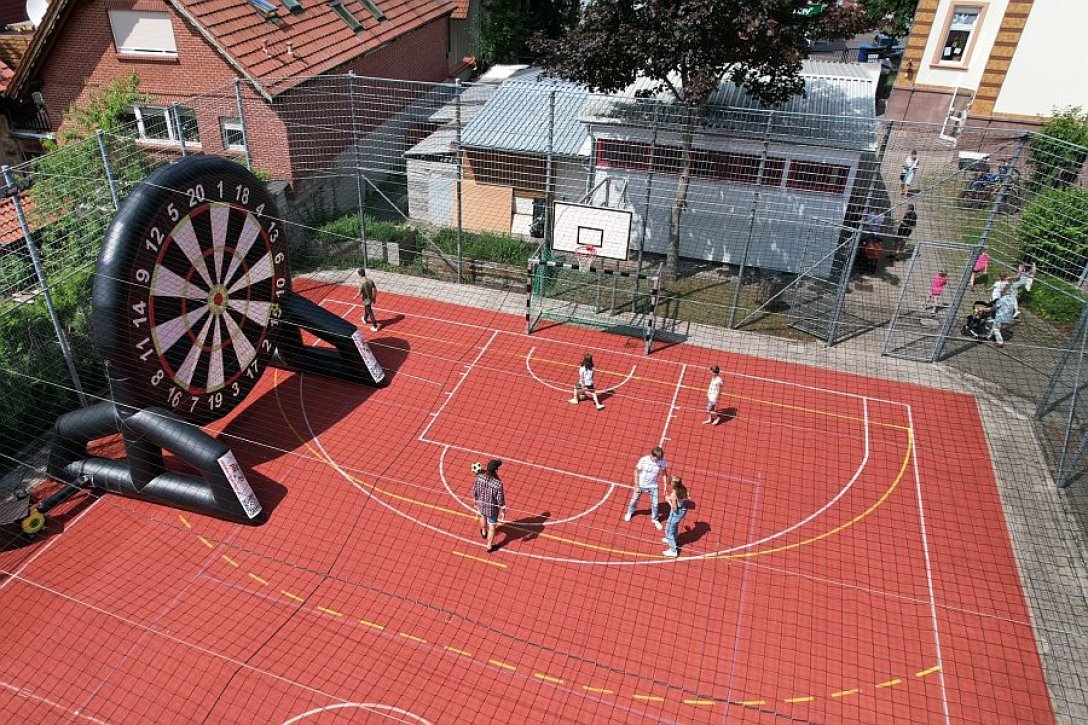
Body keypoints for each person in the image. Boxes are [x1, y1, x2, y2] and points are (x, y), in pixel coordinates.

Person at [625, 446, 668, 530]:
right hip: (641, 484)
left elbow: (664, 473)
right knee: (634, 500)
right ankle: (630, 512)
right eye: (657, 459)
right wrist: (637, 485)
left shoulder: (662, 460)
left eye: (660, 458)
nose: (658, 460)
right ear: (652, 456)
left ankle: (655, 519)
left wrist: (665, 486)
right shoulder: (643, 460)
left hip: (653, 486)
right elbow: (636, 472)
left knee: (655, 504)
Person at [473, 459, 507, 553]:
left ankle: (484, 532)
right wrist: (503, 511)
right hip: (492, 509)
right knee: (492, 527)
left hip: (481, 504)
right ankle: (489, 546)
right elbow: (500, 500)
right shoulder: (498, 484)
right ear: (496, 470)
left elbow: (475, 490)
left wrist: (475, 499)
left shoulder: (479, 477)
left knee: (482, 516)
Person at [661, 477, 690, 558]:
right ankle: (670, 538)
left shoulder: (674, 494)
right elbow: (687, 496)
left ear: (674, 484)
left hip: (677, 512)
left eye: (672, 480)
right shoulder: (682, 488)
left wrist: (668, 501)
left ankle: (673, 551)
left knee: (669, 530)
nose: (670, 480)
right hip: (682, 510)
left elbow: (674, 508)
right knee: (672, 526)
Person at [357, 268, 379, 332]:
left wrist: (355, 297)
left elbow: (359, 293)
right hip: (371, 298)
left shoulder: (362, 282)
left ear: (360, 275)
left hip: (366, 300)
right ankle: (365, 319)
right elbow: (375, 289)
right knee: (366, 309)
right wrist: (374, 298)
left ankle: (375, 326)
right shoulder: (370, 280)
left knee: (370, 312)